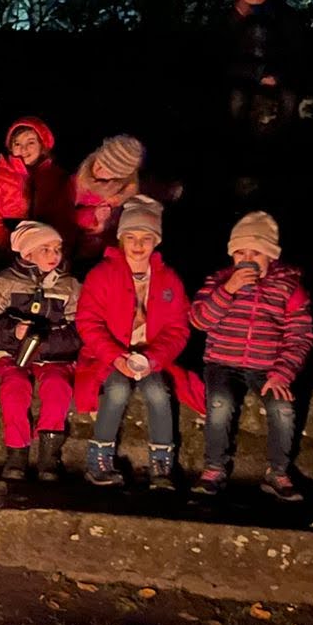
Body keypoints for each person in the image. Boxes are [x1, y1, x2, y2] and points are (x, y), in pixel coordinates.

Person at [74, 196, 202, 489]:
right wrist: (115, 357)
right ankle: (99, 457)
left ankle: (161, 462)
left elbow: (178, 328)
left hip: (152, 357)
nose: (138, 244)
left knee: (158, 391)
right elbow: (88, 323)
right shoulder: (103, 274)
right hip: (110, 356)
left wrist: (155, 358)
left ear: (156, 241)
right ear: (121, 239)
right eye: (131, 237)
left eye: (146, 237)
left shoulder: (169, 279)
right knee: (117, 389)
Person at [189, 211, 313, 501]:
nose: (247, 259)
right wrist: (227, 291)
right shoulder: (219, 281)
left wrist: (283, 371)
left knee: (282, 407)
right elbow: (199, 320)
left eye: (255, 253)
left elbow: (300, 335)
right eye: (240, 252)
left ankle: (278, 472)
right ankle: (214, 467)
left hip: (266, 366)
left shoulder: (289, 287)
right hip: (222, 360)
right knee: (220, 402)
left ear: (271, 257)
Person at [0, 220, 80, 481]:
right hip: (11, 353)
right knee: (14, 386)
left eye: (57, 249)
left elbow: (78, 331)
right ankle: (17, 452)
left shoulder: (69, 286)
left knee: (58, 385)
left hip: (52, 355)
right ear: (27, 253)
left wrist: (46, 342)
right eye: (45, 249)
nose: (54, 255)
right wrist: (14, 331)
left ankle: (49, 454)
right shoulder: (3, 283)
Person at [224, 0, 306, 149]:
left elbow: (297, 52)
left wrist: (278, 75)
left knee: (289, 101)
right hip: (243, 77)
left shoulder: (287, 16)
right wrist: (256, 74)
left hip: (280, 76)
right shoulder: (231, 19)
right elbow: (222, 54)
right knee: (237, 101)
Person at [0, 116, 73, 254]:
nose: (24, 149)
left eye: (31, 142)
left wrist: (59, 247)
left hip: (49, 244)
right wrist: (7, 243)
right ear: (10, 147)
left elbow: (65, 216)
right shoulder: (0, 177)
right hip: (11, 242)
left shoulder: (57, 177)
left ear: (42, 145)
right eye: (17, 144)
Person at [68, 134, 143, 264]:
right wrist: (93, 218)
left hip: (107, 258)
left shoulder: (125, 198)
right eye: (99, 162)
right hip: (75, 251)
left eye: (108, 169)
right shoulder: (77, 181)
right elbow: (63, 213)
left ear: (118, 176)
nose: (98, 169)